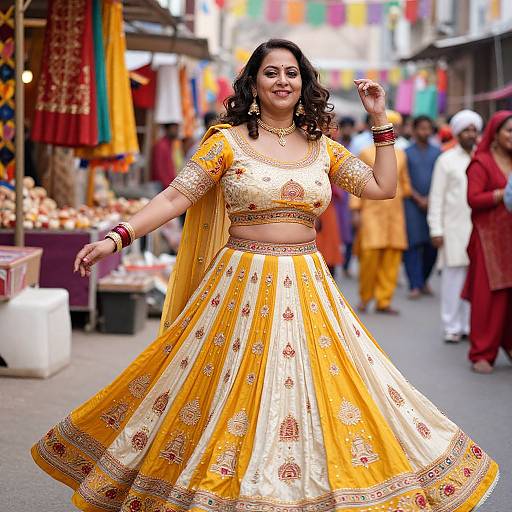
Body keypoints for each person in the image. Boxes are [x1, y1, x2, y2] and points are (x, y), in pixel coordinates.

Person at [32, 40, 498, 512]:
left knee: (318, 390)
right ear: (253, 82)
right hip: (240, 285)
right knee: (228, 391)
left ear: (304, 84)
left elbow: (381, 187)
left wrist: (379, 117)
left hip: (308, 283)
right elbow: (176, 198)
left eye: (291, 73)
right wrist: (117, 236)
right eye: (271, 72)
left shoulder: (323, 149)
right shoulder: (227, 143)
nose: (282, 81)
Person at [462, 110, 512, 374]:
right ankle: (482, 352)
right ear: (495, 134)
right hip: (489, 239)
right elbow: (474, 199)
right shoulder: (481, 163)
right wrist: (501, 195)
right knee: (489, 296)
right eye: (509, 131)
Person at [427, 110, 483, 344]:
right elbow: (437, 197)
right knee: (453, 278)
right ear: (457, 133)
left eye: (474, 130)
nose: (470, 134)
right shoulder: (446, 160)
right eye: (466, 130)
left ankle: (469, 325)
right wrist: (436, 229)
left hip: (480, 229)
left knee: (475, 279)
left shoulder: (483, 158)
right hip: (453, 228)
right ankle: (451, 325)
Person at [351, 110, 412, 315]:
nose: (392, 131)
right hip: (372, 211)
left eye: (395, 127)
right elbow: (357, 183)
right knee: (369, 255)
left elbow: (405, 185)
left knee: (392, 256)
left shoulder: (403, 155)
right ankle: (365, 297)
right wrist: (355, 210)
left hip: (396, 213)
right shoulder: (366, 152)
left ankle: (384, 300)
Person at [404, 116, 441, 298]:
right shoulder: (406, 152)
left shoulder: (438, 152)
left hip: (434, 204)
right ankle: (414, 285)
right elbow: (404, 179)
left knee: (431, 246)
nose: (424, 132)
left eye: (428, 128)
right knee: (412, 245)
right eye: (421, 128)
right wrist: (418, 199)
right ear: (414, 130)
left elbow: (441, 180)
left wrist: (431, 199)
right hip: (412, 205)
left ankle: (424, 280)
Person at [150, 122, 180, 190]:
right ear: (167, 129)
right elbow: (159, 168)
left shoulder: (170, 145)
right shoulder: (161, 146)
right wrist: (167, 185)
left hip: (167, 185)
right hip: (161, 186)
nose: (176, 131)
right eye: (174, 128)